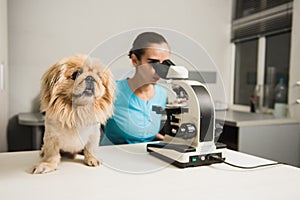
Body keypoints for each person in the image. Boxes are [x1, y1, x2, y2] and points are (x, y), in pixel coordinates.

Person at [101, 32, 171, 145]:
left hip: (146, 157)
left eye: (165, 64)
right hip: (111, 157)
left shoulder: (162, 94)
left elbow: (143, 132)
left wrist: (169, 142)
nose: (160, 70)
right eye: (153, 62)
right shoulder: (112, 90)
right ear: (135, 60)